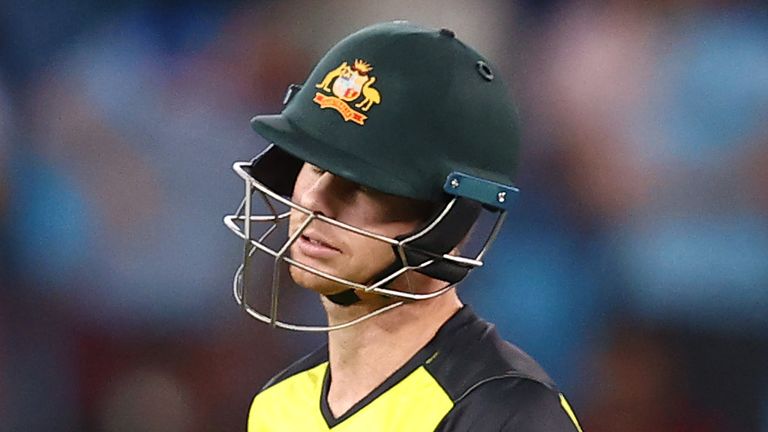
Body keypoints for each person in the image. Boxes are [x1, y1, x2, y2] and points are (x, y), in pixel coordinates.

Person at [224, 21, 583, 431]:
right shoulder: (279, 405)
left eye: (361, 183)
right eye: (313, 165)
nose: (312, 199)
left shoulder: (504, 413)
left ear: (449, 217)